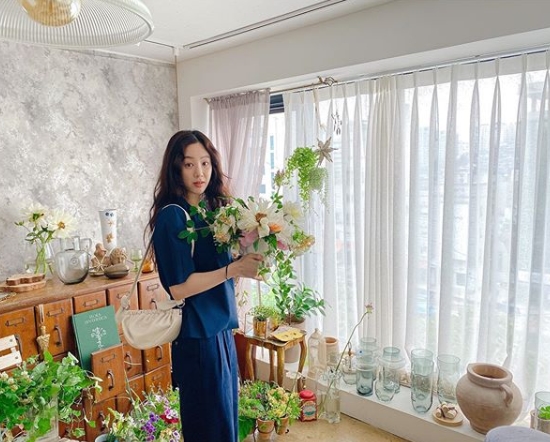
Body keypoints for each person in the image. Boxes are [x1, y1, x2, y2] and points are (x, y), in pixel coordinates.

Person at [147, 130, 263, 442]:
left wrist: (249, 258)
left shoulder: (213, 213)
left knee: (225, 424)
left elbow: (221, 269)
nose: (199, 172)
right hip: (199, 338)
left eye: (205, 163)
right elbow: (179, 288)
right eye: (189, 165)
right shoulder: (173, 217)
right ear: (176, 169)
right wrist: (233, 268)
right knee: (209, 429)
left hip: (221, 333)